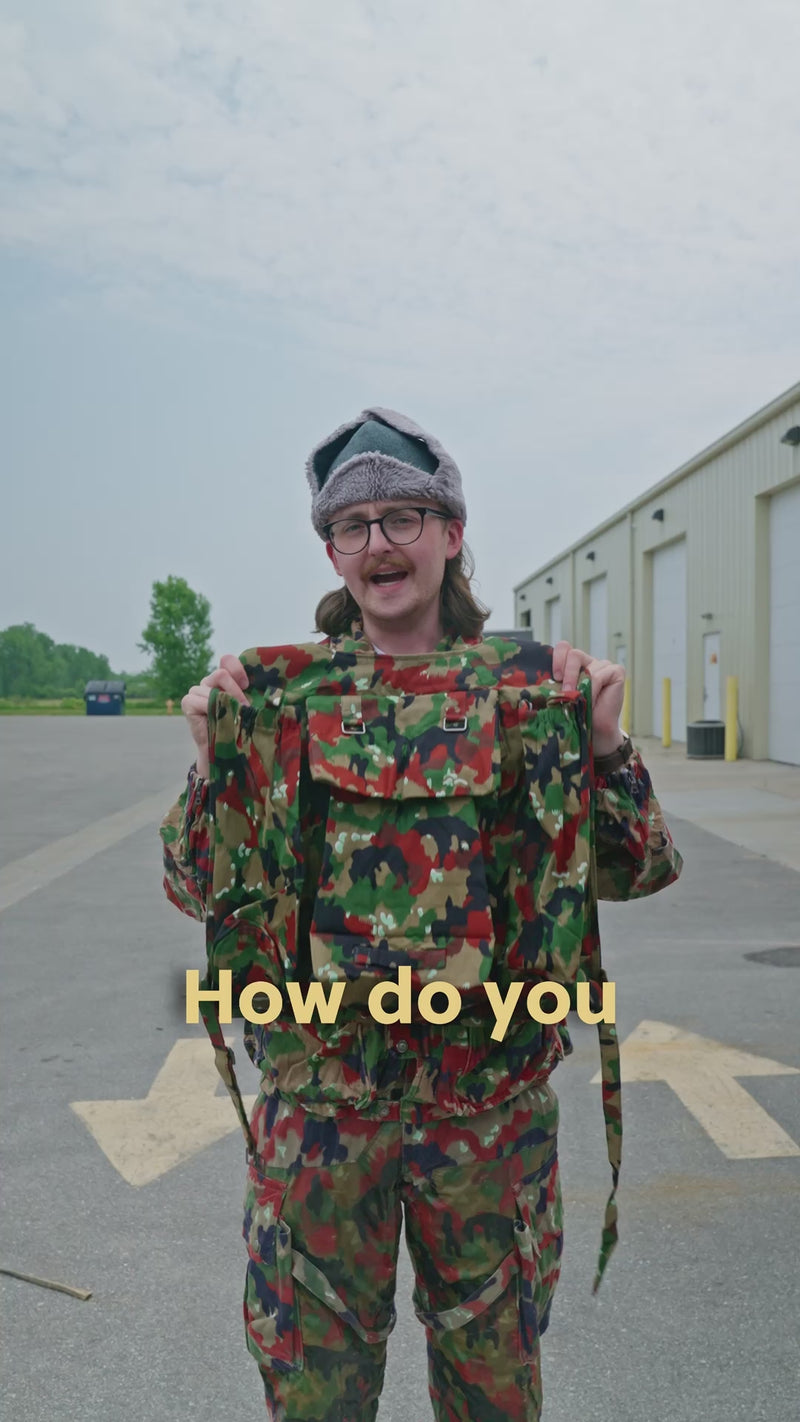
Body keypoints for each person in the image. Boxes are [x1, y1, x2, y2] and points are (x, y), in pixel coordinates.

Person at [160, 407, 683, 1422]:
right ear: (331, 551)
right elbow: (195, 889)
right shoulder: (277, 701)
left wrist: (605, 747)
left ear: (451, 532)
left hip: (484, 1118)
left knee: (493, 1394)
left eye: (403, 516)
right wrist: (210, 765)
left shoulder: (531, 693)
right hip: (322, 1118)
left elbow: (638, 868)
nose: (379, 544)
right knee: (314, 1397)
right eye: (352, 526)